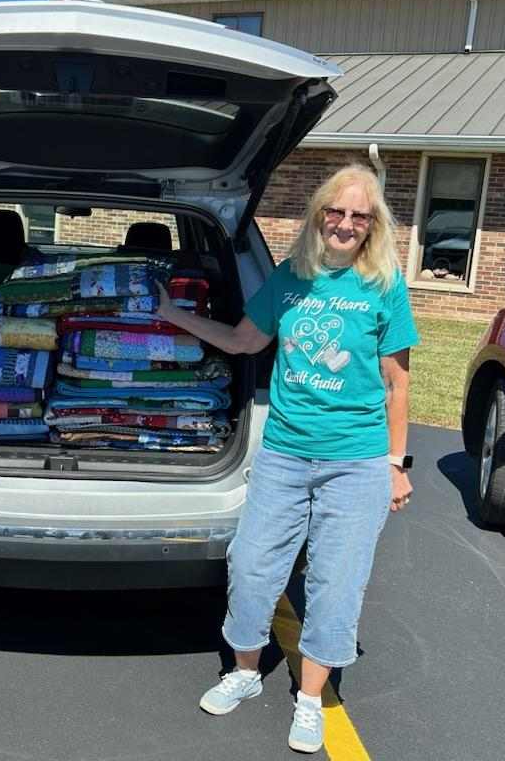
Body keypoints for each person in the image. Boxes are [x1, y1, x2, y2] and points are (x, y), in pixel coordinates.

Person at [157, 164, 418, 754]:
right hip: (284, 454)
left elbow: (397, 383)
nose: (345, 223)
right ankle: (246, 673)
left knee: (336, 582)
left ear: (373, 225)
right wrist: (174, 317)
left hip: (356, 462)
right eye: (337, 211)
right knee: (250, 565)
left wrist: (396, 464)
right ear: (319, 213)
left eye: (359, 215)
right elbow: (245, 341)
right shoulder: (290, 278)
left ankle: (309, 700)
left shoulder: (384, 286)